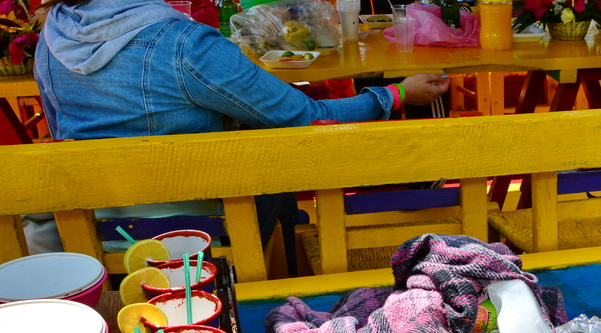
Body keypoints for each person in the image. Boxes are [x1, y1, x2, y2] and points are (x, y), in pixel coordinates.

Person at [29, 0, 449, 251]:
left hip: (92, 231)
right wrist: (395, 95)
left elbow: (61, 132)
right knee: (273, 149)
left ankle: (289, 236)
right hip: (197, 239)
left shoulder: (51, 37)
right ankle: (284, 260)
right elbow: (305, 118)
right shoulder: (185, 45)